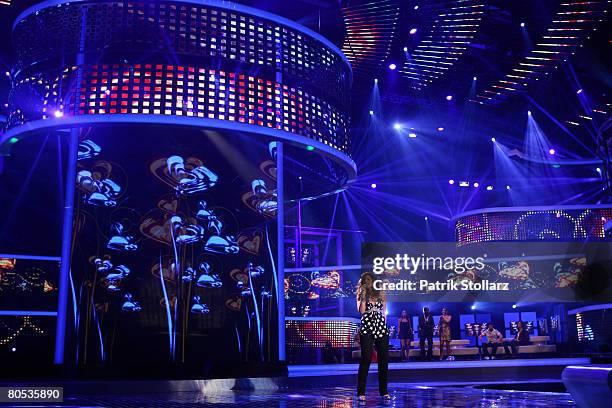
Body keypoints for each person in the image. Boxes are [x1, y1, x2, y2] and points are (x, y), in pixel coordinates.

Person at [356, 272, 390, 404]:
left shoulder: (381, 294)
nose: (367, 281)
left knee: (383, 359)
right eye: (364, 280)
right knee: (366, 358)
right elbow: (362, 311)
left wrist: (384, 326)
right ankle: (361, 392)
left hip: (380, 326)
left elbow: (384, 312)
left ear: (373, 281)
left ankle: (384, 391)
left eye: (369, 279)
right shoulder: (360, 295)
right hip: (367, 327)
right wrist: (364, 295)